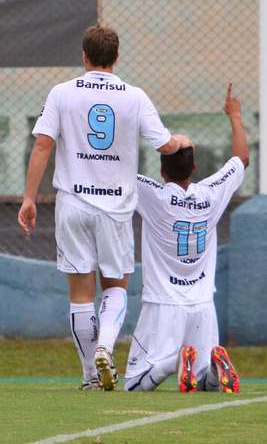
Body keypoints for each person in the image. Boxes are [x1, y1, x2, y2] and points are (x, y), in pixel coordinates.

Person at [17, 26, 191, 391]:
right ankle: (106, 347)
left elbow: (43, 147)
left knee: (80, 293)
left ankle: (89, 377)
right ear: (116, 57)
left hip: (73, 203)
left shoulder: (62, 93)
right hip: (115, 208)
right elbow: (163, 145)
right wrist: (180, 140)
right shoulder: (134, 96)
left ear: (84, 56)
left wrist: (30, 198)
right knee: (115, 286)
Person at [124, 83, 249, 394]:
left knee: (133, 384)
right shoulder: (210, 194)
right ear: (194, 167)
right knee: (206, 382)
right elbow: (241, 160)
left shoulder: (153, 195)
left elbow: (119, 170)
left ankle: (172, 363)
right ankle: (210, 368)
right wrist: (234, 116)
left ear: (162, 170)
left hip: (163, 303)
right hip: (203, 305)